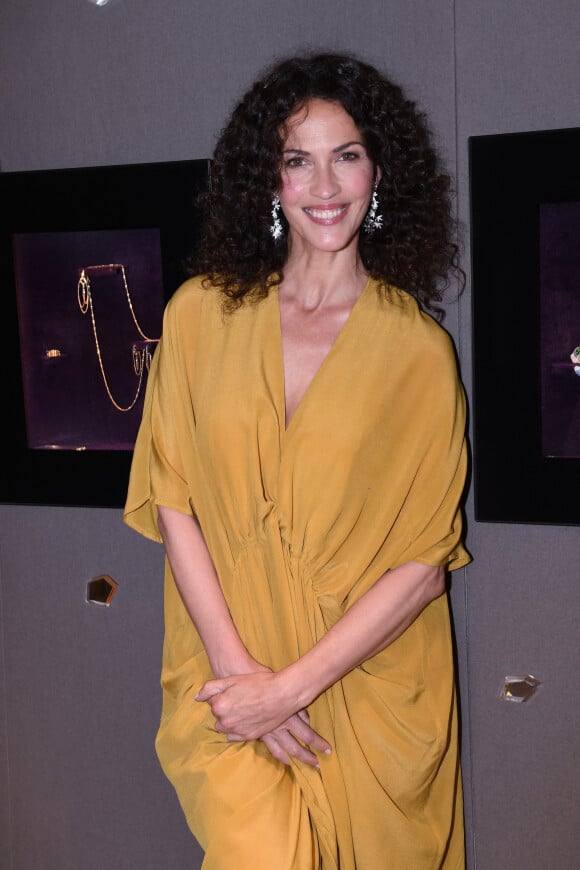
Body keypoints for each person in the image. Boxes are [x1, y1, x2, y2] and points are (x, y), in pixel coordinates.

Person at [124, 50, 471, 870]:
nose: (325, 186)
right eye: (297, 159)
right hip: (226, 659)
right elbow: (172, 495)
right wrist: (244, 675)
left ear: (378, 173)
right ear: (267, 180)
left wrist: (292, 689)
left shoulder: (417, 352)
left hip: (363, 684)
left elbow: (424, 565)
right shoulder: (201, 314)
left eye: (346, 156)